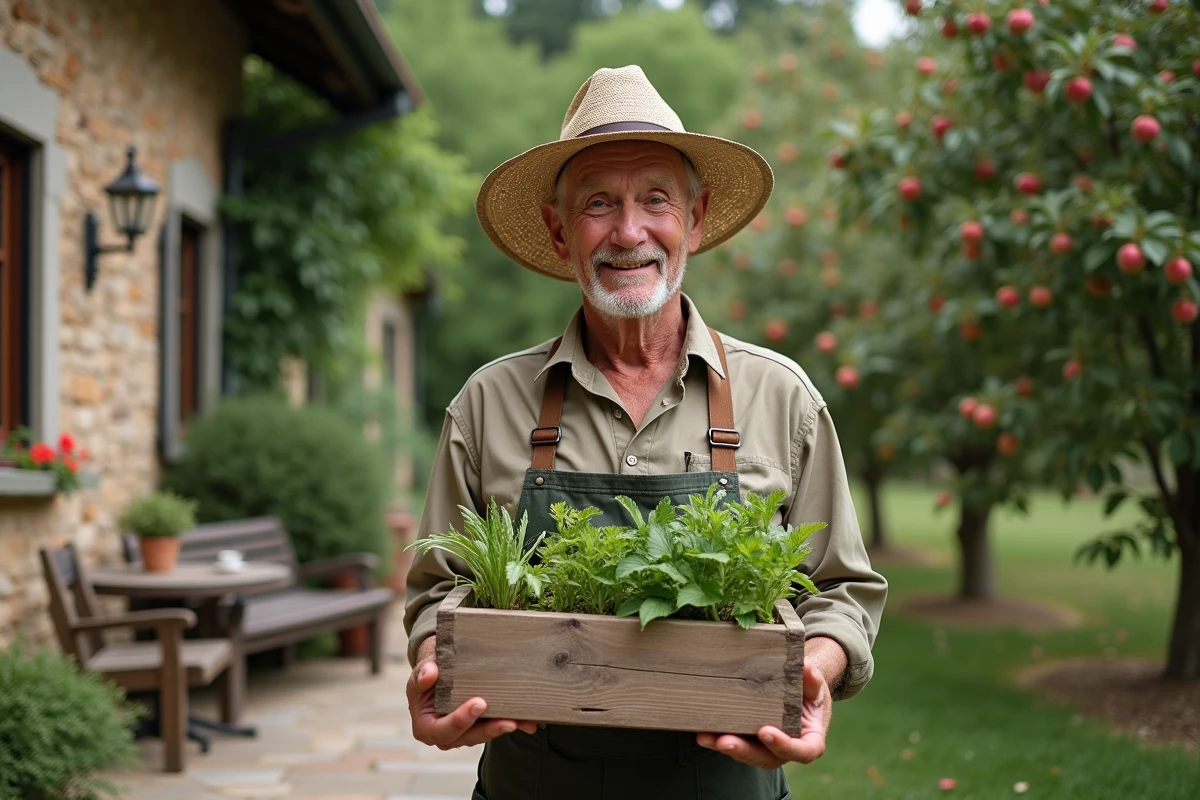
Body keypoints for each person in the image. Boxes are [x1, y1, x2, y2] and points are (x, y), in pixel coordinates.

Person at [404, 65, 887, 800]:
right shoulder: (489, 403)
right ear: (559, 229)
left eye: (654, 199)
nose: (629, 232)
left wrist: (812, 671)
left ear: (693, 219)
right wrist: (439, 667)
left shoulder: (779, 397)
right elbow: (439, 592)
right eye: (599, 203)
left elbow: (840, 591)